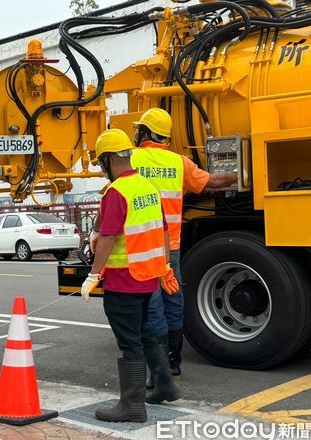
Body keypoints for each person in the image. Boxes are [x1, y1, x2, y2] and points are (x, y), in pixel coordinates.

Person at [131, 107, 238, 380]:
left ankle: (155, 364)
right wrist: (244, 173)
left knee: (147, 304)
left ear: (145, 133)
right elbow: (213, 182)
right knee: (172, 299)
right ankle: (173, 361)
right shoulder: (179, 163)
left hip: (139, 244)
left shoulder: (130, 158)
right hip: (171, 246)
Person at [81, 129, 180, 423]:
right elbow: (163, 230)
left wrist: (93, 274)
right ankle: (164, 384)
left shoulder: (116, 192)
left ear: (109, 159)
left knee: (129, 342)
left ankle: (132, 405)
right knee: (147, 332)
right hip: (148, 278)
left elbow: (109, 237)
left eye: (101, 162)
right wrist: (164, 267)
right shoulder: (147, 187)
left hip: (124, 281)